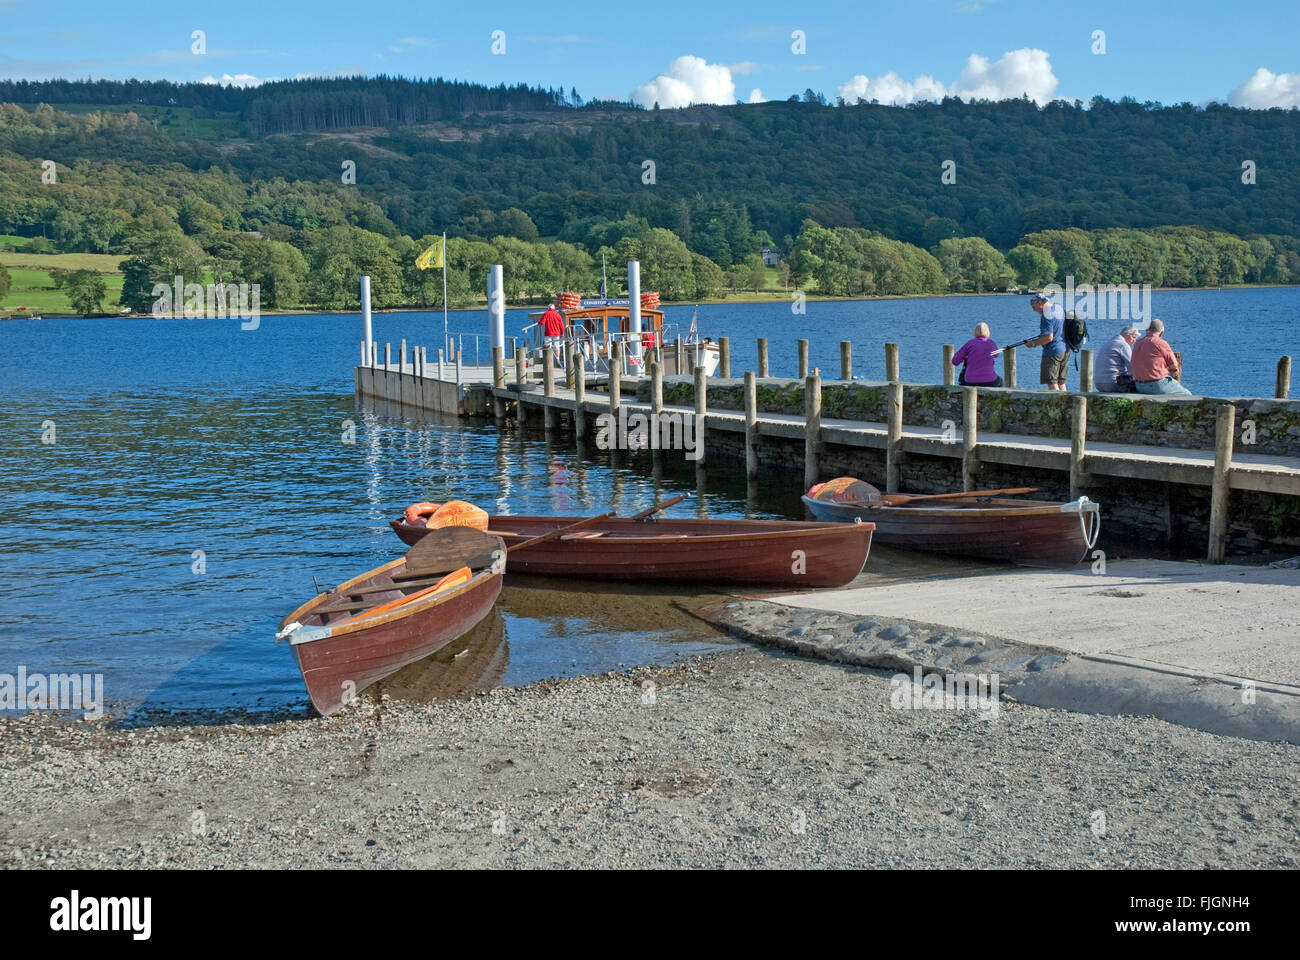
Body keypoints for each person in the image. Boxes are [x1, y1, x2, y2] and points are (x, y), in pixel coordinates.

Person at [1131, 319, 1192, 395]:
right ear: (1161, 332)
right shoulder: (1160, 343)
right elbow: (1173, 364)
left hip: (1139, 386)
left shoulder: (1137, 343)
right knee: (1187, 394)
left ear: (1148, 330)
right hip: (1156, 385)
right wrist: (1173, 372)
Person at [1024, 292, 1068, 391]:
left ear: (1040, 303)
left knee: (1051, 382)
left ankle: (1057, 405)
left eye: (1034, 306)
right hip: (1065, 349)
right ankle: (1065, 405)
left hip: (1052, 352)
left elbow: (1048, 338)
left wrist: (1033, 344)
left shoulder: (1046, 315)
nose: (1033, 310)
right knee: (1061, 382)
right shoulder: (1058, 308)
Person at [1095, 324, 1140, 393]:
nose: (1134, 341)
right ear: (1126, 334)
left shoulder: (1108, 343)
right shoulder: (1123, 345)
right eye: (1133, 337)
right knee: (1142, 388)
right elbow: (1132, 366)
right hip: (1113, 384)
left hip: (1098, 384)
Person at [539, 302, 565, 368]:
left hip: (548, 333)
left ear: (548, 308)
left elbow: (542, 322)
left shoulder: (546, 313)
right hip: (556, 333)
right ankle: (558, 359)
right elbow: (561, 325)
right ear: (554, 308)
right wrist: (562, 333)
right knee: (557, 346)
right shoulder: (557, 315)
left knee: (548, 346)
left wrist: (539, 322)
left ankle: (548, 360)